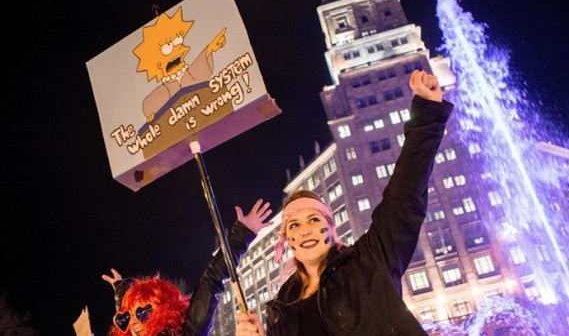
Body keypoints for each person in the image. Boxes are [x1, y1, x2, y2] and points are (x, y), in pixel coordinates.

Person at [235, 69, 454, 335]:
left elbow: (404, 194)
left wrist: (428, 113)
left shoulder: (369, 261)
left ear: (330, 228)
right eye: (293, 225)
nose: (304, 230)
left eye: (314, 220)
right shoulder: (281, 311)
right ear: (286, 239)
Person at [79, 198, 272, 336]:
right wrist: (122, 293)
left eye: (142, 313)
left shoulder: (188, 331)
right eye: (128, 316)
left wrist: (242, 233)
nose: (135, 321)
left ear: (163, 312)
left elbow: (211, 280)